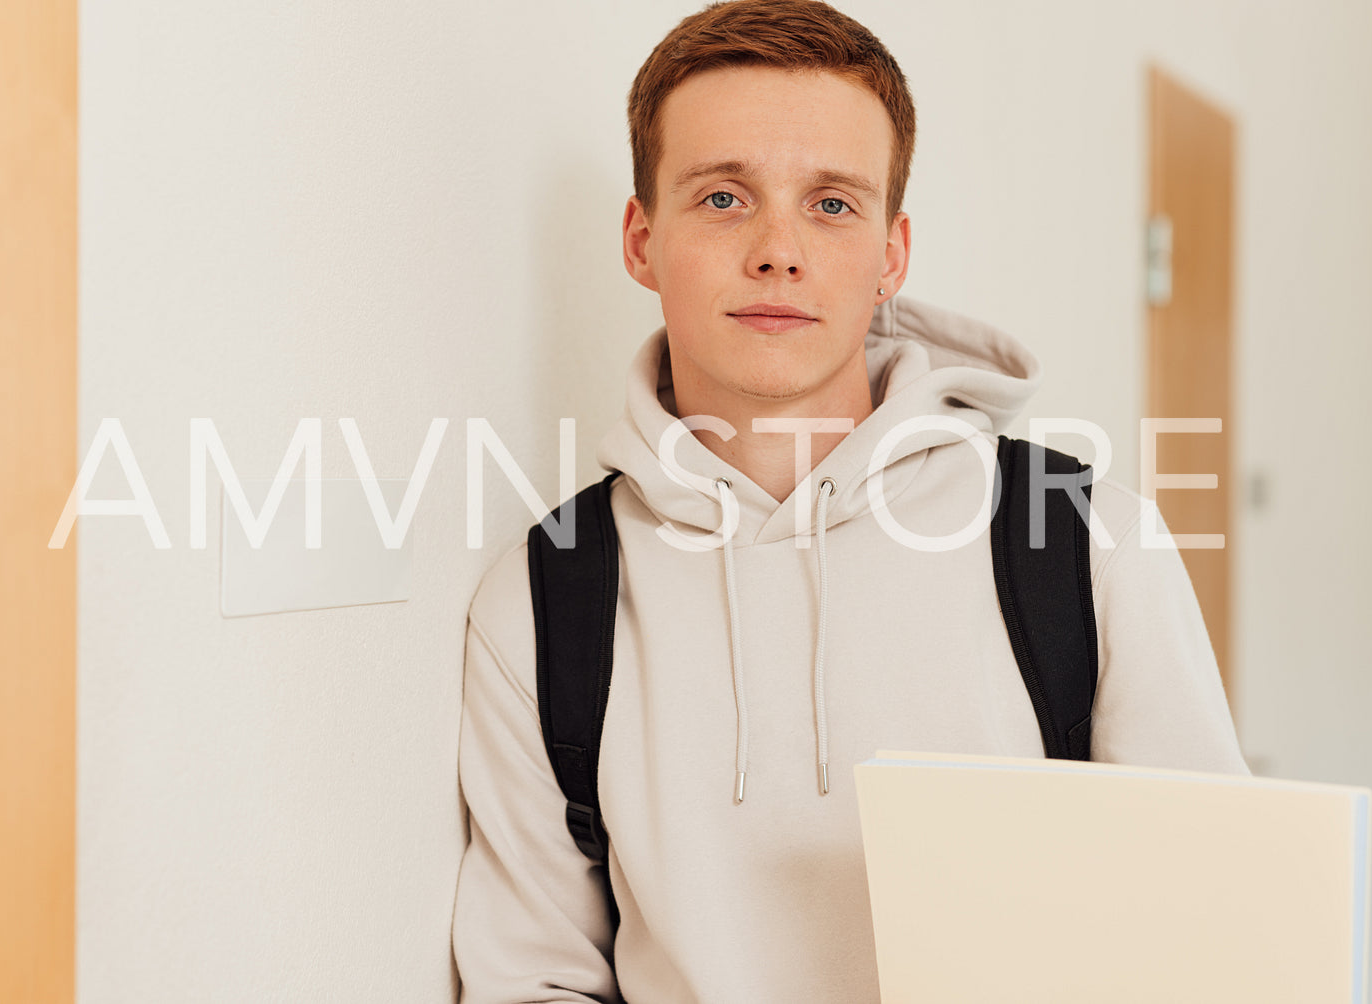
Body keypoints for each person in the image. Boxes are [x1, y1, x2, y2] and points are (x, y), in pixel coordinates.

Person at [451, 1, 1248, 1000]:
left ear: (890, 254)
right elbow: (533, 976)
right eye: (722, 197)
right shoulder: (540, 602)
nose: (777, 249)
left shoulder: (1085, 545)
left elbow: (1212, 938)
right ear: (640, 238)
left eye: (830, 204)